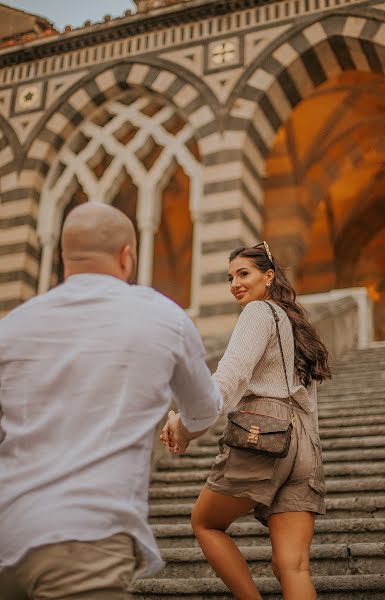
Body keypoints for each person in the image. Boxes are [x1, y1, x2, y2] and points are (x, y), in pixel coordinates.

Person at [0, 202, 223, 600]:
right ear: (127, 256)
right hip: (85, 537)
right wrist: (183, 429)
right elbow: (205, 409)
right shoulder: (162, 317)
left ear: (64, 257)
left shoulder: (14, 325)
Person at [162, 242, 330, 600]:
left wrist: (186, 427)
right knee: (293, 566)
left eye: (244, 273)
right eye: (230, 277)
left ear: (268, 276)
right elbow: (308, 402)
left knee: (205, 523)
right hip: (305, 446)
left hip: (264, 430)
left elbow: (229, 378)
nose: (235, 283)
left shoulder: (257, 313)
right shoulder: (297, 326)